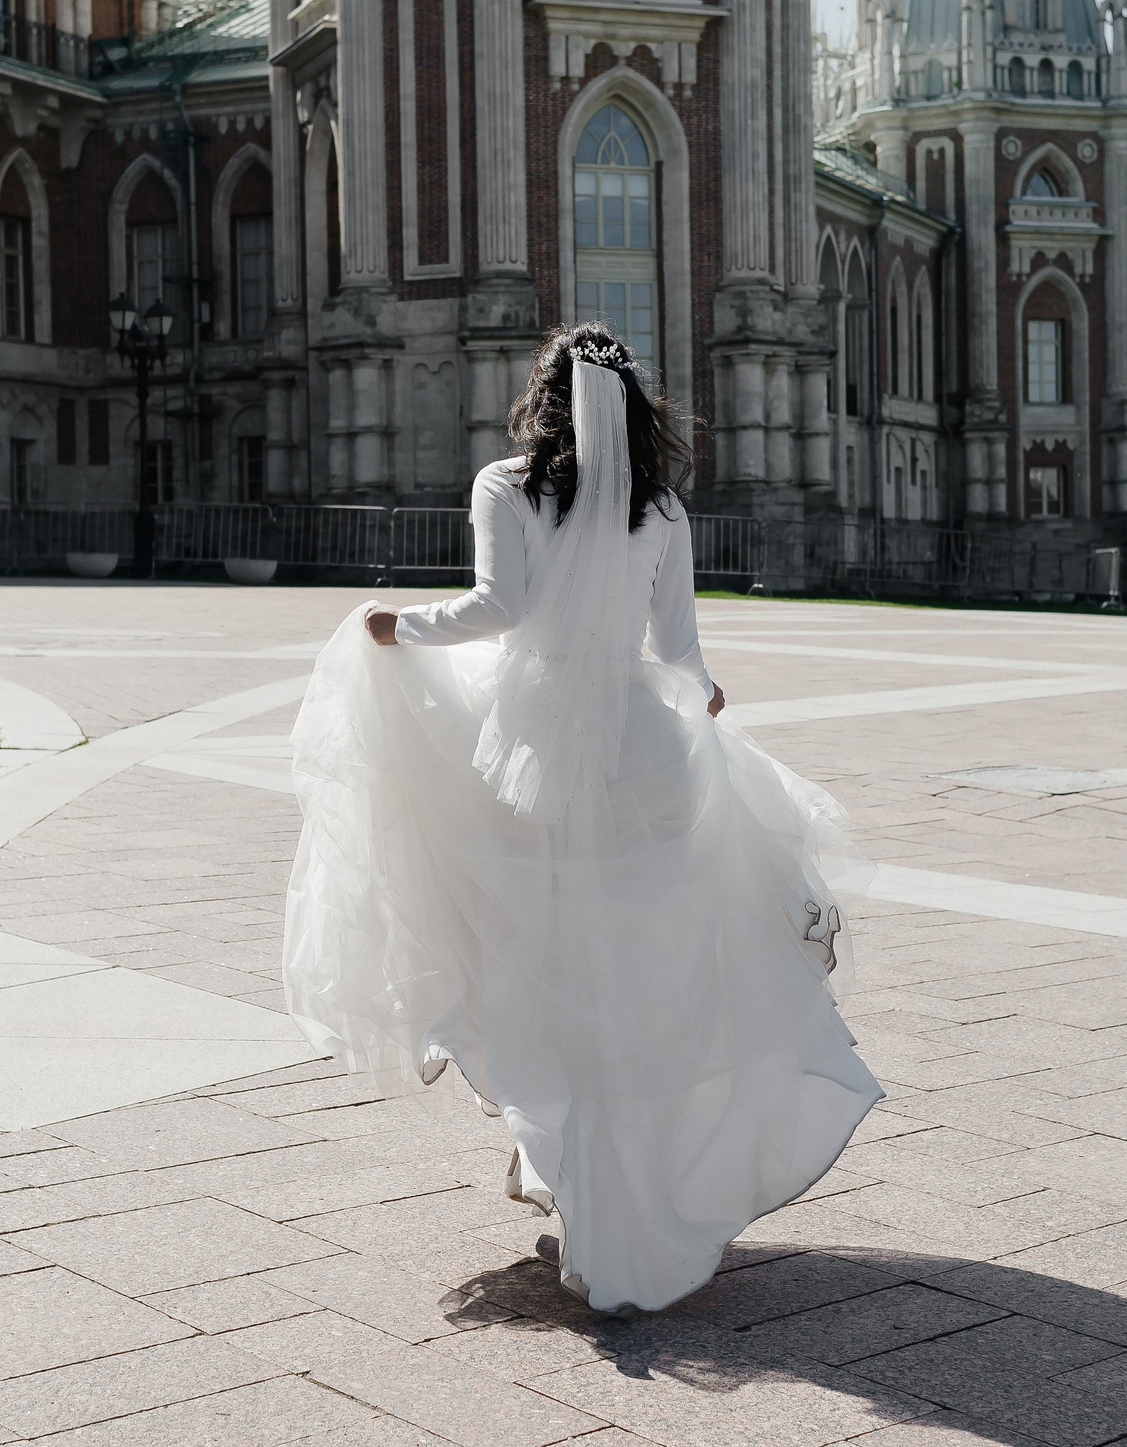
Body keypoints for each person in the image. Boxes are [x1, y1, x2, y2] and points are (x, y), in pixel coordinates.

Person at [283, 322, 880, 1313]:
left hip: (529, 759)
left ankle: (567, 1168)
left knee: (535, 969)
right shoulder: (660, 506)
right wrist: (704, 696)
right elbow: (680, 650)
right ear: (629, 402)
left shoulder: (502, 485)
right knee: (634, 984)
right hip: (643, 754)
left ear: (543, 395)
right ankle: (617, 1197)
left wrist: (397, 624)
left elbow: (495, 609)